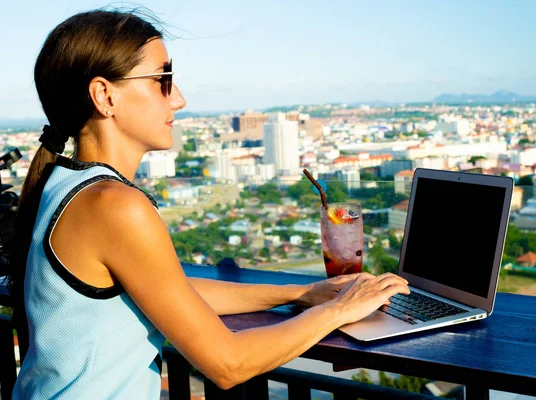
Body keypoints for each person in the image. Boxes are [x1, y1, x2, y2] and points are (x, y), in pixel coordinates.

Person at [9, 9, 410, 399]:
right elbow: (228, 364)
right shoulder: (115, 205)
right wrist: (339, 310)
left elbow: (170, 291)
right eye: (162, 80)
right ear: (104, 95)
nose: (178, 99)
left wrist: (299, 294)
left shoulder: (66, 185)